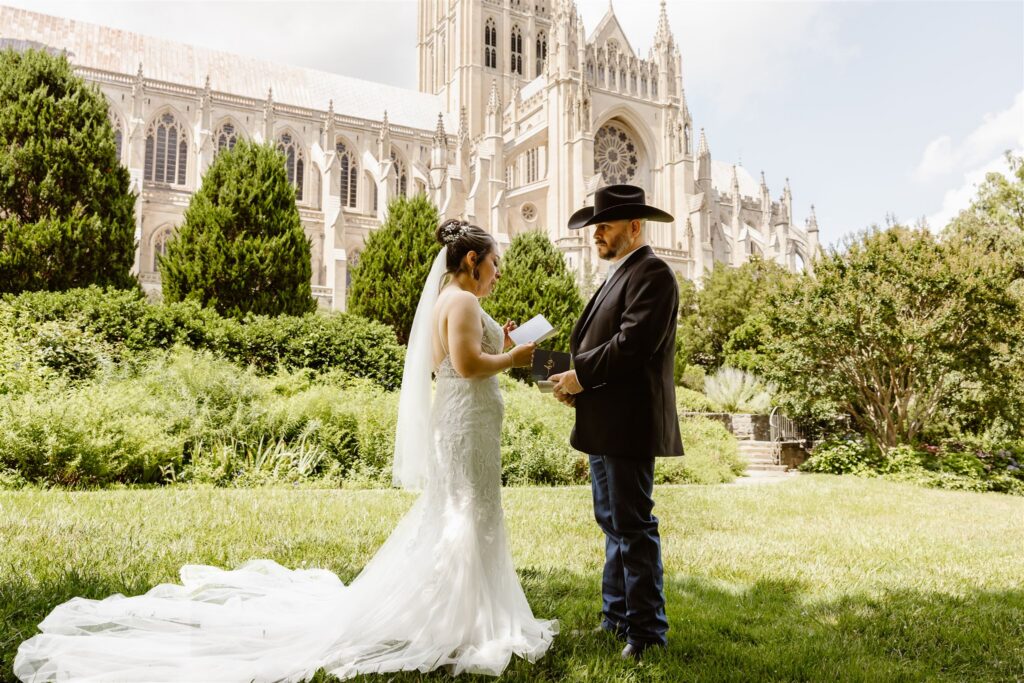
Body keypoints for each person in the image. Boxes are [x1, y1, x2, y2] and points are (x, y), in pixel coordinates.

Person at [14, 218, 556, 682]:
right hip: (465, 426)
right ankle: (464, 623)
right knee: (467, 514)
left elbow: (464, 353)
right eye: (494, 263)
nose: (498, 273)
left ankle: (463, 615)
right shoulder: (460, 301)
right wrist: (513, 359)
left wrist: (502, 340)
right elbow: (464, 367)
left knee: (463, 514)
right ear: (470, 259)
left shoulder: (452, 299)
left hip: (465, 425)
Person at [548, 184, 683, 661]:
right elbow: (601, 344)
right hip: (606, 419)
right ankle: (616, 619)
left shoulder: (654, 273)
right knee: (612, 522)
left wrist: (580, 377)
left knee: (632, 524)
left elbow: (632, 345)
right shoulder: (618, 274)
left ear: (634, 226)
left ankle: (646, 633)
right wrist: (571, 382)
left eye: (603, 225)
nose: (595, 234)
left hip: (629, 423)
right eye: (594, 226)